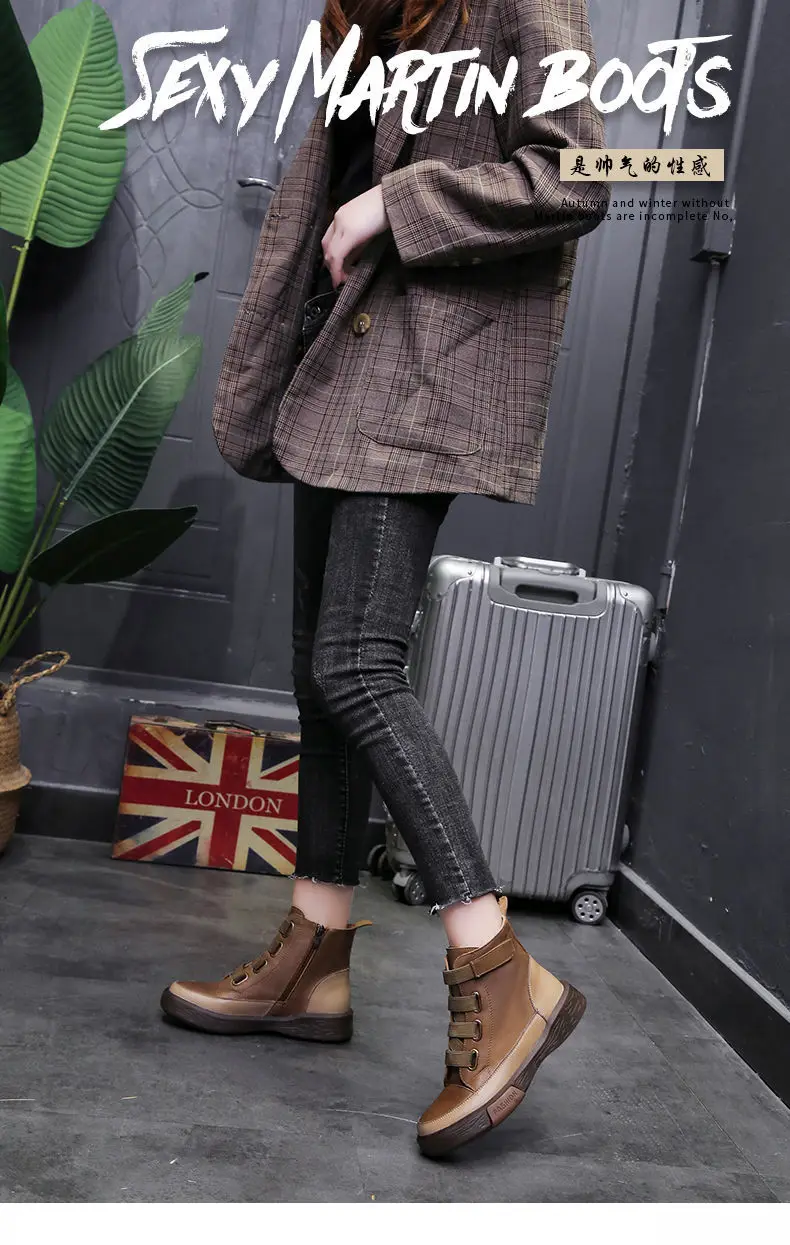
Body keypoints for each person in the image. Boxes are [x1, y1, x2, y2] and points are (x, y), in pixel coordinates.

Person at [161, 0, 610, 1158]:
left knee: (356, 666)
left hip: (423, 369)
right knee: (321, 678)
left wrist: (393, 206)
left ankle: (497, 966)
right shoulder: (372, 11)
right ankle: (312, 959)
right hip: (339, 354)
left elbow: (577, 171)